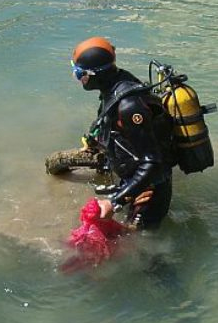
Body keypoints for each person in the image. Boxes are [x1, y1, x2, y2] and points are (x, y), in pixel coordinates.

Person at [70, 36, 175, 229]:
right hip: (132, 178)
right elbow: (106, 117)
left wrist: (114, 202)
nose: (78, 79)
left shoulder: (129, 106)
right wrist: (93, 139)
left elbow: (152, 162)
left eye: (79, 74)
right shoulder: (115, 84)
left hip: (149, 187)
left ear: (96, 74)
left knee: (139, 242)